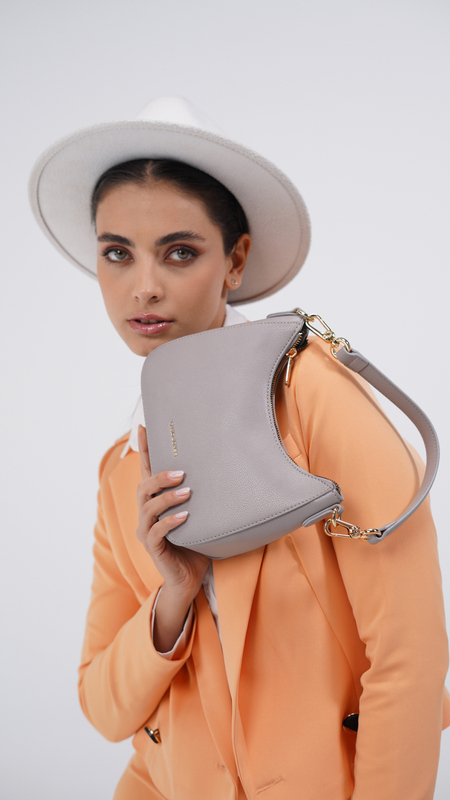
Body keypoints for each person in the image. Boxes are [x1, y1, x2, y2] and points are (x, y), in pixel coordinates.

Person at [29, 97, 449, 800]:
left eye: (180, 252)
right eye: (117, 253)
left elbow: (409, 655)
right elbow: (103, 709)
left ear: (235, 260)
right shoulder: (123, 469)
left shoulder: (312, 395)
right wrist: (172, 596)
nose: (144, 287)